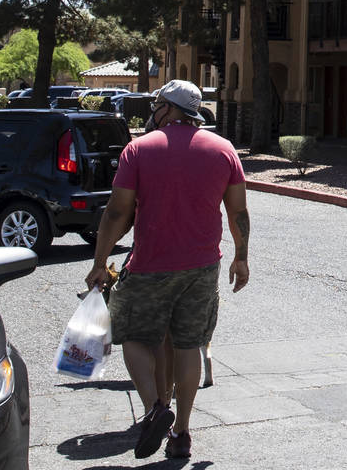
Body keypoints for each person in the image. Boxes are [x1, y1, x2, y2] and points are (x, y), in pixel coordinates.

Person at [85, 79, 249, 461]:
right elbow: (238, 211)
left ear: (170, 109)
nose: (152, 111)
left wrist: (98, 261)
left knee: (134, 337)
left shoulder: (139, 149)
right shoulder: (224, 149)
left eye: (158, 104)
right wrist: (242, 256)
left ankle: (156, 408)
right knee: (189, 344)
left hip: (149, 265)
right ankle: (182, 432)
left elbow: (117, 211)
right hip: (203, 266)